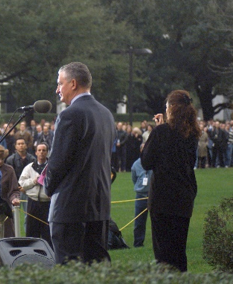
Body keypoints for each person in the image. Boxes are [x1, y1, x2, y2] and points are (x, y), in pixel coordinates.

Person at [44, 61, 115, 265]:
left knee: (70, 272)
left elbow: (58, 162)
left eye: (60, 83)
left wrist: (48, 188)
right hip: (99, 207)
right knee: (98, 272)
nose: (57, 89)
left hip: (70, 209)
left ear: (73, 84)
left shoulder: (70, 114)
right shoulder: (106, 114)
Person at [141, 90, 200, 272]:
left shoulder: (161, 132)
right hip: (184, 196)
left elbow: (146, 161)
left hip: (163, 198)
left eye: (167, 106)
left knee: (164, 254)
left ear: (172, 108)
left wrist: (156, 132)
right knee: (178, 251)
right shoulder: (192, 133)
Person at [18, 143, 52, 246]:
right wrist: (33, 181)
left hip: (47, 203)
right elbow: (22, 183)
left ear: (47, 152)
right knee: (31, 232)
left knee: (47, 232)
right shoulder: (30, 167)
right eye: (39, 150)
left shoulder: (51, 167)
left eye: (44, 150)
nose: (41, 152)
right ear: (36, 152)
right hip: (33, 203)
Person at [0, 147, 19, 239]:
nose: (0, 161)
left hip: (3, 209)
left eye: (2, 159)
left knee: (6, 238)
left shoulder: (9, 170)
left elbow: (14, 190)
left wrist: (14, 198)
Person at [130, 155, 151, 247]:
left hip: (153, 196)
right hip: (140, 196)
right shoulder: (136, 164)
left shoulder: (154, 162)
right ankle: (138, 243)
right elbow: (134, 179)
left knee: (157, 221)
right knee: (139, 223)